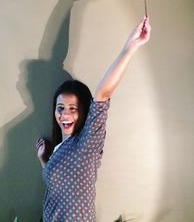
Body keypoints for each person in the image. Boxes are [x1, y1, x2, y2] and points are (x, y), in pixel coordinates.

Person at [36, 17, 151, 221]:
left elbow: (103, 94)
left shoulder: (86, 145)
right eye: (60, 108)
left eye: (73, 108)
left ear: (85, 112)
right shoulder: (60, 150)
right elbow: (58, 183)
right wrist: (44, 159)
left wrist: (130, 46)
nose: (65, 115)